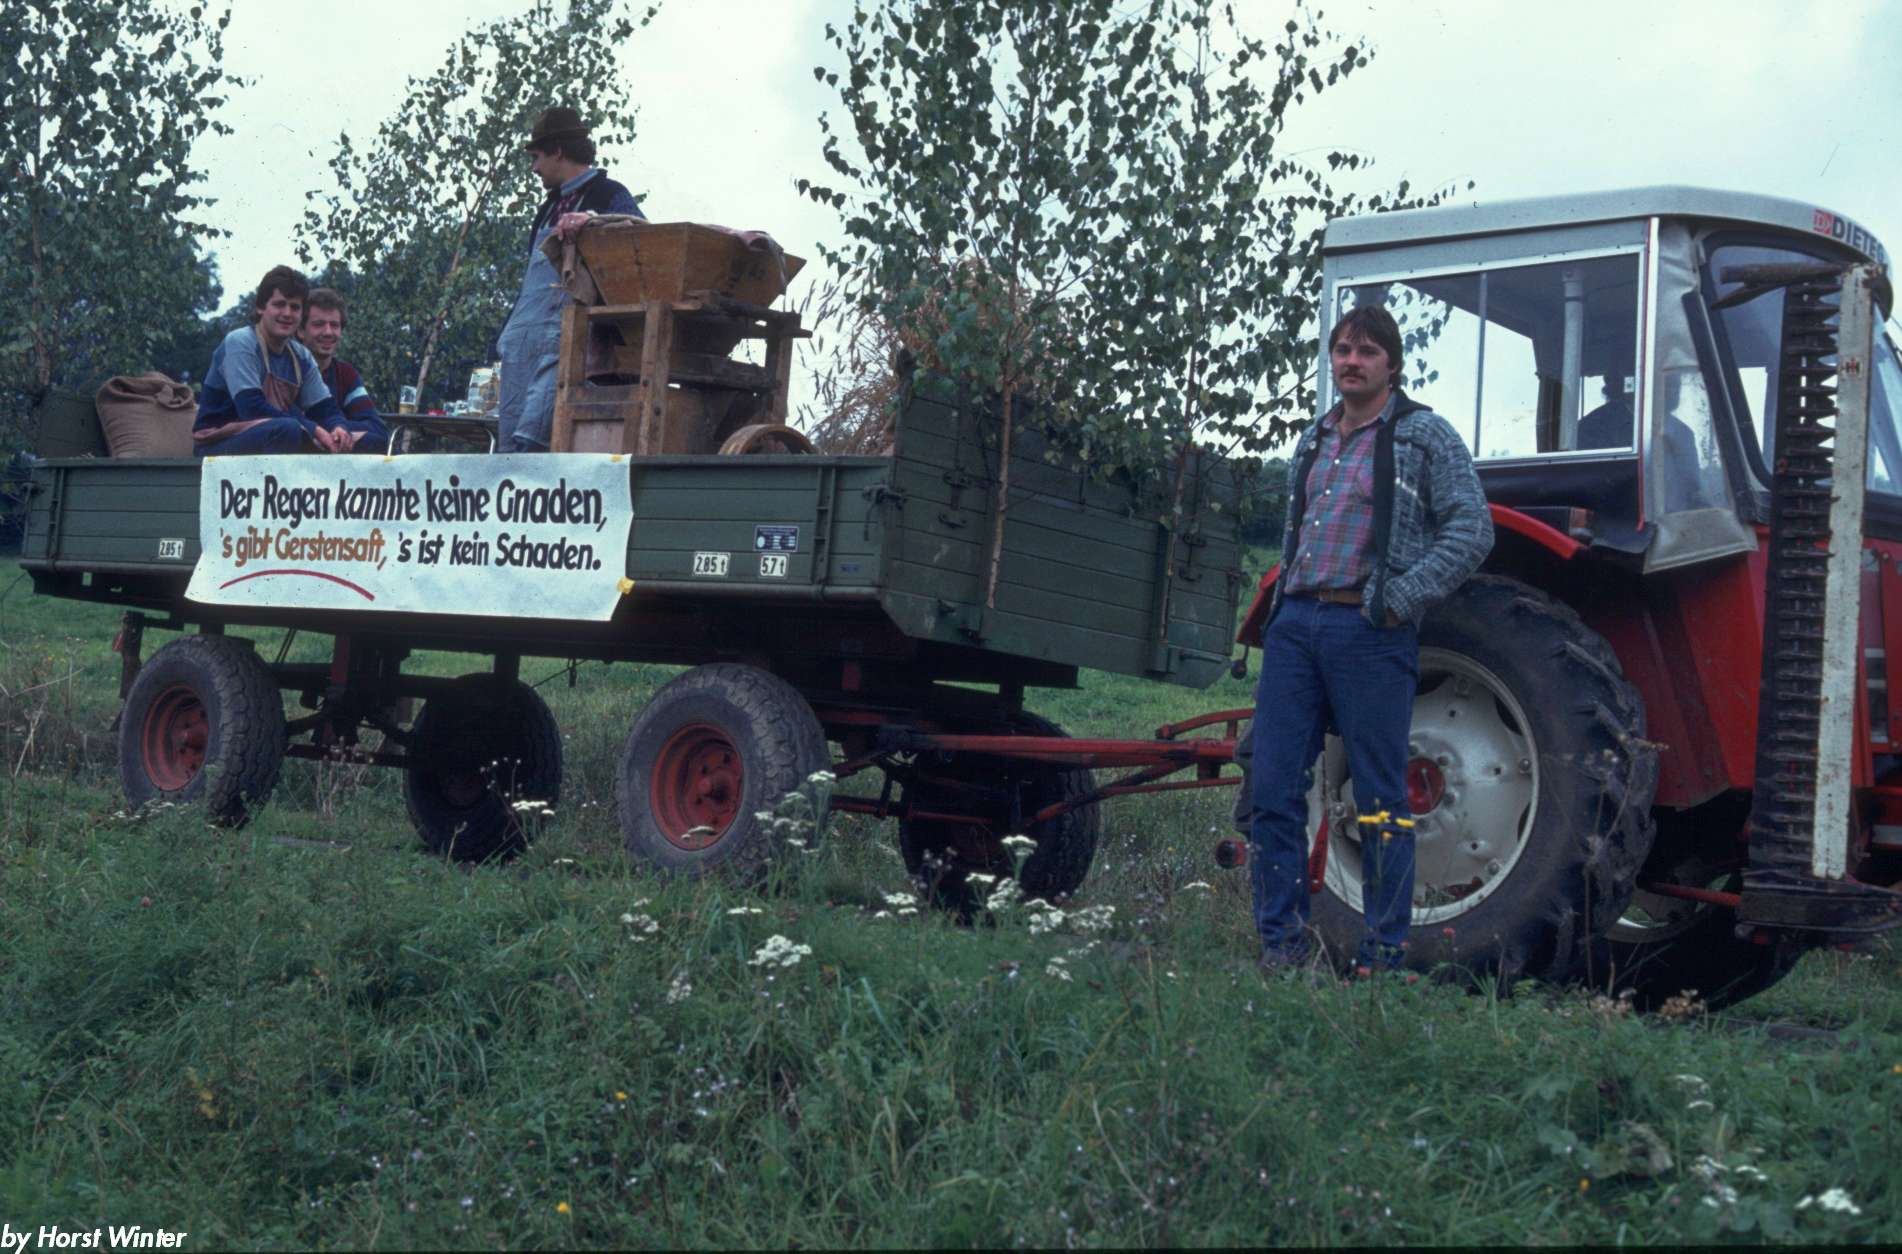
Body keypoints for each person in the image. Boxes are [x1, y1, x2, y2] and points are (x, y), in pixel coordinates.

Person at [1248, 305, 1494, 976]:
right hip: (1297, 626)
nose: (1351, 362)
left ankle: (1382, 954)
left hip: (1367, 631)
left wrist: (1399, 600)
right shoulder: (1313, 438)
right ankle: (1281, 945)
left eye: (1366, 352)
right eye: (1342, 350)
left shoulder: (1424, 436)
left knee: (1382, 798)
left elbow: (1472, 529)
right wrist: (1279, 611)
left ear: (1392, 365)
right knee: (1272, 788)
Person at [496, 106, 644, 453]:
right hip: (524, 347)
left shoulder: (607, 194)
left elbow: (642, 238)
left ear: (558, 152)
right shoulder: (547, 208)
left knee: (534, 441)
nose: (533, 168)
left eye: (536, 157)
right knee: (509, 449)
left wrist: (592, 220)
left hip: (566, 342)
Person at [193, 266, 355, 455]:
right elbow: (252, 410)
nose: (287, 313)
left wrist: (338, 428)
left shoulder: (301, 356)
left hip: (274, 436)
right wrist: (315, 430)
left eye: (295, 307)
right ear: (260, 307)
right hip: (218, 442)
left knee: (360, 440)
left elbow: (325, 409)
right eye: (279, 304)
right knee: (288, 430)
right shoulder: (241, 343)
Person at [298, 288, 391, 454]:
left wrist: (340, 432)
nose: (328, 332)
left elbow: (377, 427)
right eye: (319, 324)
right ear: (300, 331)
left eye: (334, 325)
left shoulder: (345, 374)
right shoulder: (287, 370)